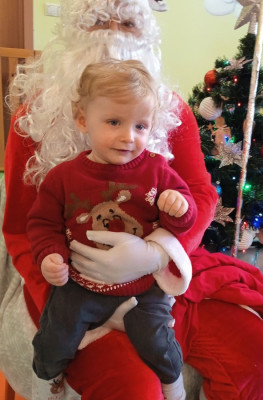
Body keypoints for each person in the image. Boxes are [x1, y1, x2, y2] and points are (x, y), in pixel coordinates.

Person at [0, 0, 263, 399]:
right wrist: (62, 287)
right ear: (73, 32)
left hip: (159, 277)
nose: (112, 35)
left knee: (252, 350)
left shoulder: (167, 110)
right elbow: (23, 228)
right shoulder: (35, 116)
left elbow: (199, 192)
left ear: (145, 33)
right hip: (74, 284)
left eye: (127, 23)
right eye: (99, 22)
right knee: (134, 388)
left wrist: (157, 253)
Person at [27, 59, 196, 400]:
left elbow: (185, 217)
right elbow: (42, 224)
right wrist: (50, 256)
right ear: (82, 120)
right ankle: (51, 375)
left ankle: (173, 384)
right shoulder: (63, 177)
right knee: (56, 337)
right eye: (114, 122)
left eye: (140, 126)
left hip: (142, 284)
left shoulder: (158, 170)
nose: (128, 136)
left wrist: (178, 207)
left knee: (156, 340)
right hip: (80, 282)